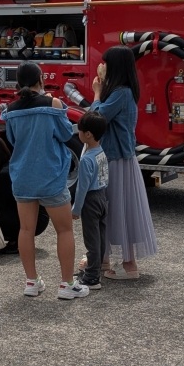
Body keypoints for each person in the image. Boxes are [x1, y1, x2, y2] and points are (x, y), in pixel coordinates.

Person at [1, 61, 89, 300]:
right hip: (50, 175)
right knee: (64, 230)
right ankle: (67, 284)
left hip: (23, 177)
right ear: (41, 78)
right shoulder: (53, 104)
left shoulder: (11, 110)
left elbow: (11, 139)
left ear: (18, 83)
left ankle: (31, 282)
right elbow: (63, 133)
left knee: (26, 230)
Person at [90, 46, 158, 280]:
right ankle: (105, 259)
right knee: (117, 209)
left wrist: (97, 92)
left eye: (105, 63)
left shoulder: (119, 92)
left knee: (113, 209)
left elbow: (95, 120)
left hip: (115, 159)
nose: (102, 66)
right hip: (121, 157)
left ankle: (128, 265)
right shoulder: (126, 91)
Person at [71, 110, 109, 290]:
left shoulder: (86, 159)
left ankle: (92, 277)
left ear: (88, 134)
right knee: (100, 237)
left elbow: (82, 188)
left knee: (91, 239)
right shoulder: (101, 152)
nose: (77, 133)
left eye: (79, 130)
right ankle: (96, 269)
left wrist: (76, 209)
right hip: (102, 196)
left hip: (91, 200)